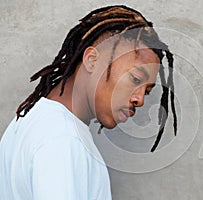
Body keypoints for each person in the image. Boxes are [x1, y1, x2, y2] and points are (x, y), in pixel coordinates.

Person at [0, 5, 177, 200]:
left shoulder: (29, 119)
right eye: (135, 79)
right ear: (92, 60)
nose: (140, 99)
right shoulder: (63, 140)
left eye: (147, 91)